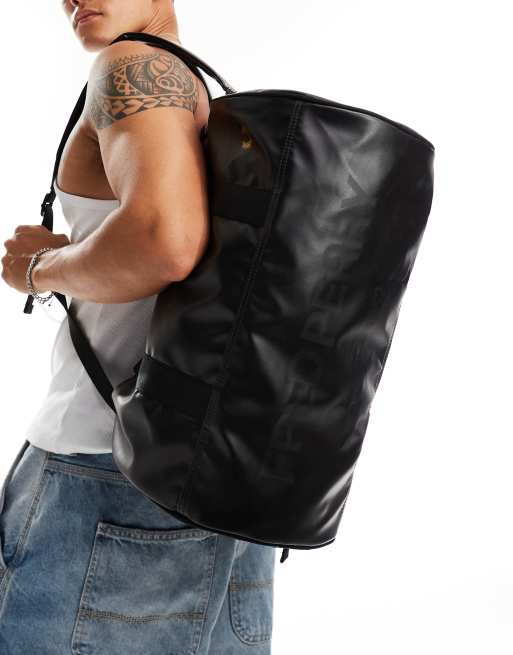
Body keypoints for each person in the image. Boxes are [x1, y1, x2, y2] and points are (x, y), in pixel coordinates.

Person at [0, 1, 276, 653]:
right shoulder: (197, 93)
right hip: (227, 483)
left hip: (106, 474)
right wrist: (78, 251)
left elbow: (164, 242)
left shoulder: (129, 64)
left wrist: (38, 269)